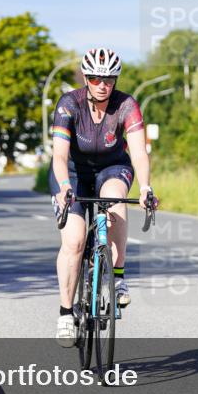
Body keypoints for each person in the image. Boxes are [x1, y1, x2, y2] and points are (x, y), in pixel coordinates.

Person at [50, 47, 158, 347]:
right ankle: (65, 313)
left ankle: (119, 275)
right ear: (86, 77)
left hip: (112, 167)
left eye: (109, 79)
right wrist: (63, 187)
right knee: (74, 240)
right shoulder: (68, 105)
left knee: (116, 202)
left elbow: (138, 151)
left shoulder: (127, 105)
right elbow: (59, 155)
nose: (102, 84)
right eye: (96, 78)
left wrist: (146, 186)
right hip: (71, 172)